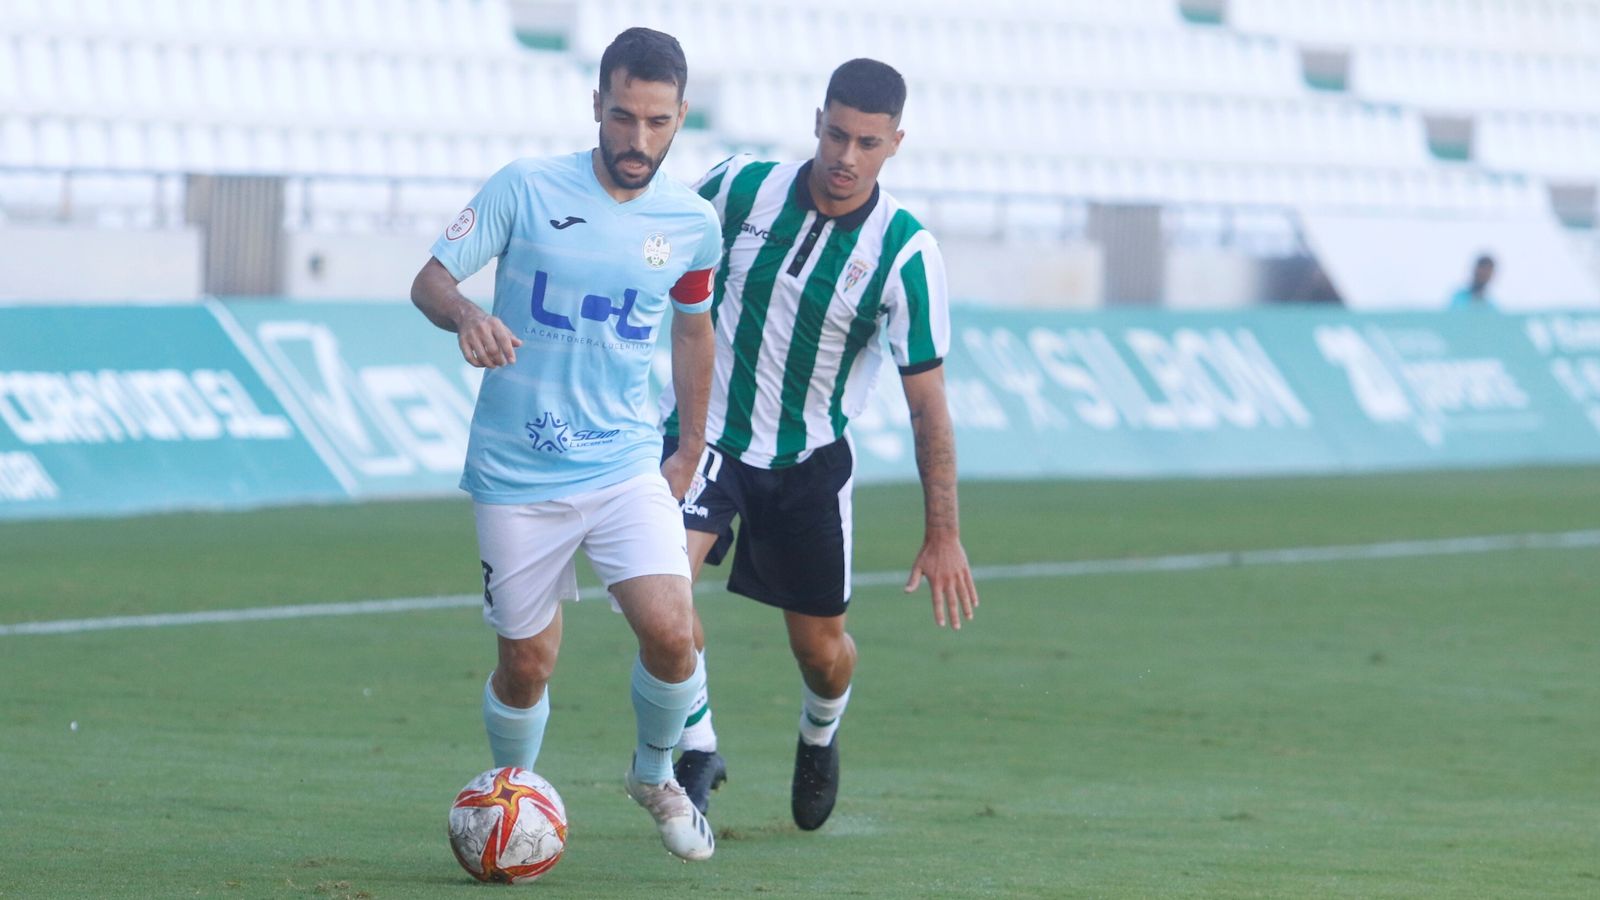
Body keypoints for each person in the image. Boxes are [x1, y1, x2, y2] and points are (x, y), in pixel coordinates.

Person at [409, 27, 721, 862]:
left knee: (672, 630)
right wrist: (469, 314)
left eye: (657, 123)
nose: (637, 140)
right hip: (519, 472)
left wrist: (689, 444)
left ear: (681, 116)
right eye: (623, 118)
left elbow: (695, 331)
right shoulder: (525, 186)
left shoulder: (691, 223)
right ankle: (510, 801)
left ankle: (655, 774)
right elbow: (431, 279)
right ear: (597, 106)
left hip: (623, 464)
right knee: (528, 666)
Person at [658, 58, 980, 830]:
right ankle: (699, 746)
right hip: (707, 439)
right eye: (836, 134)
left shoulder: (905, 252)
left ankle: (819, 731)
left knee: (823, 652)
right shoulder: (739, 187)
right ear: (817, 121)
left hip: (809, 464)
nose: (846, 156)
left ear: (895, 143)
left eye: (867, 142)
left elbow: (927, 405)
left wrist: (944, 533)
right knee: (662, 597)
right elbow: (654, 244)